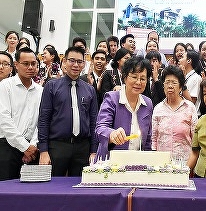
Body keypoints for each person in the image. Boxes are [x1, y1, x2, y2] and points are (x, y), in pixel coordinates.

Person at [38, 46, 98, 176]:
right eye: (72, 60)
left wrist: (94, 150)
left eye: (80, 61)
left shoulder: (90, 90)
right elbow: (44, 119)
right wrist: (43, 150)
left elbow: (94, 122)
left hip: (82, 147)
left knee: (79, 189)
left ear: (84, 64)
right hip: (57, 146)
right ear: (64, 61)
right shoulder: (52, 86)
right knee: (53, 188)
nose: (76, 65)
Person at [95, 56, 153, 159]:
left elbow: (147, 139)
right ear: (125, 77)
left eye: (143, 78)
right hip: (111, 162)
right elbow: (100, 129)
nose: (138, 82)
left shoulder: (147, 103)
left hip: (137, 163)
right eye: (134, 77)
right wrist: (112, 134)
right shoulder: (112, 98)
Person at [0, 47, 43, 180]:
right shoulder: (5, 86)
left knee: (29, 193)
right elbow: (4, 119)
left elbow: (41, 121)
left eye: (33, 64)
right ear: (16, 65)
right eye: (26, 64)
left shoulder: (41, 90)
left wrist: (33, 146)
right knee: (6, 191)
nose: (30, 67)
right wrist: (24, 146)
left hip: (33, 149)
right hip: (8, 146)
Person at [151, 65, 197, 162]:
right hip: (162, 164)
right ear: (163, 85)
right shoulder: (158, 109)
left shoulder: (190, 108)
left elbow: (195, 140)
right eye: (167, 82)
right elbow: (154, 139)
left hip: (184, 164)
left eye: (174, 83)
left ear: (181, 87)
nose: (170, 86)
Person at [178, 50, 202, 116]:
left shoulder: (196, 78)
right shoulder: (184, 76)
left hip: (191, 116)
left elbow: (191, 102)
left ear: (189, 61)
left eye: (182, 57)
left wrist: (183, 84)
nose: (179, 60)